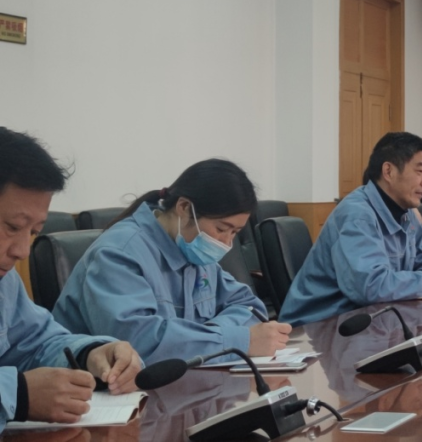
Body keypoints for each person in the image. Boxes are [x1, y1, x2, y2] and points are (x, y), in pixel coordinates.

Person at [53, 159, 291, 366]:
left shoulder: (195, 251)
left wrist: (210, 335)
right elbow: (138, 346)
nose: (226, 243)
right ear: (184, 208)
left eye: (235, 233)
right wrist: (235, 340)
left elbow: (250, 307)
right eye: (221, 229)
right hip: (107, 395)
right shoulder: (118, 253)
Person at [0, 127, 142, 429]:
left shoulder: (4, 281)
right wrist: (17, 394)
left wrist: (90, 353)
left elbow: (35, 343)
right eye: (12, 227)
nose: (22, 251)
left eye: (34, 232)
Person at [279, 132, 422, 326]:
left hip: (372, 317)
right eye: (419, 171)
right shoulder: (358, 214)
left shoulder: (407, 213)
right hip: (319, 326)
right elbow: (371, 287)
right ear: (389, 171)